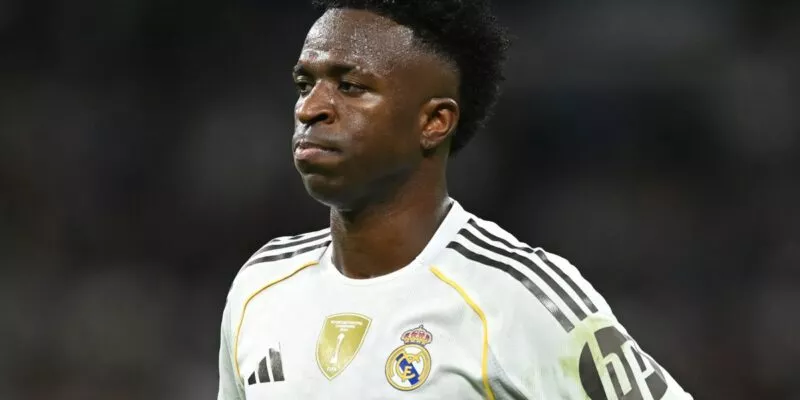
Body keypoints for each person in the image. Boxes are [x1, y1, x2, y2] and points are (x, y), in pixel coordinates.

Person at [217, 0, 693, 398]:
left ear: (434, 122)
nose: (310, 108)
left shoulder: (517, 296)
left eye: (350, 87)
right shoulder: (262, 287)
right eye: (305, 84)